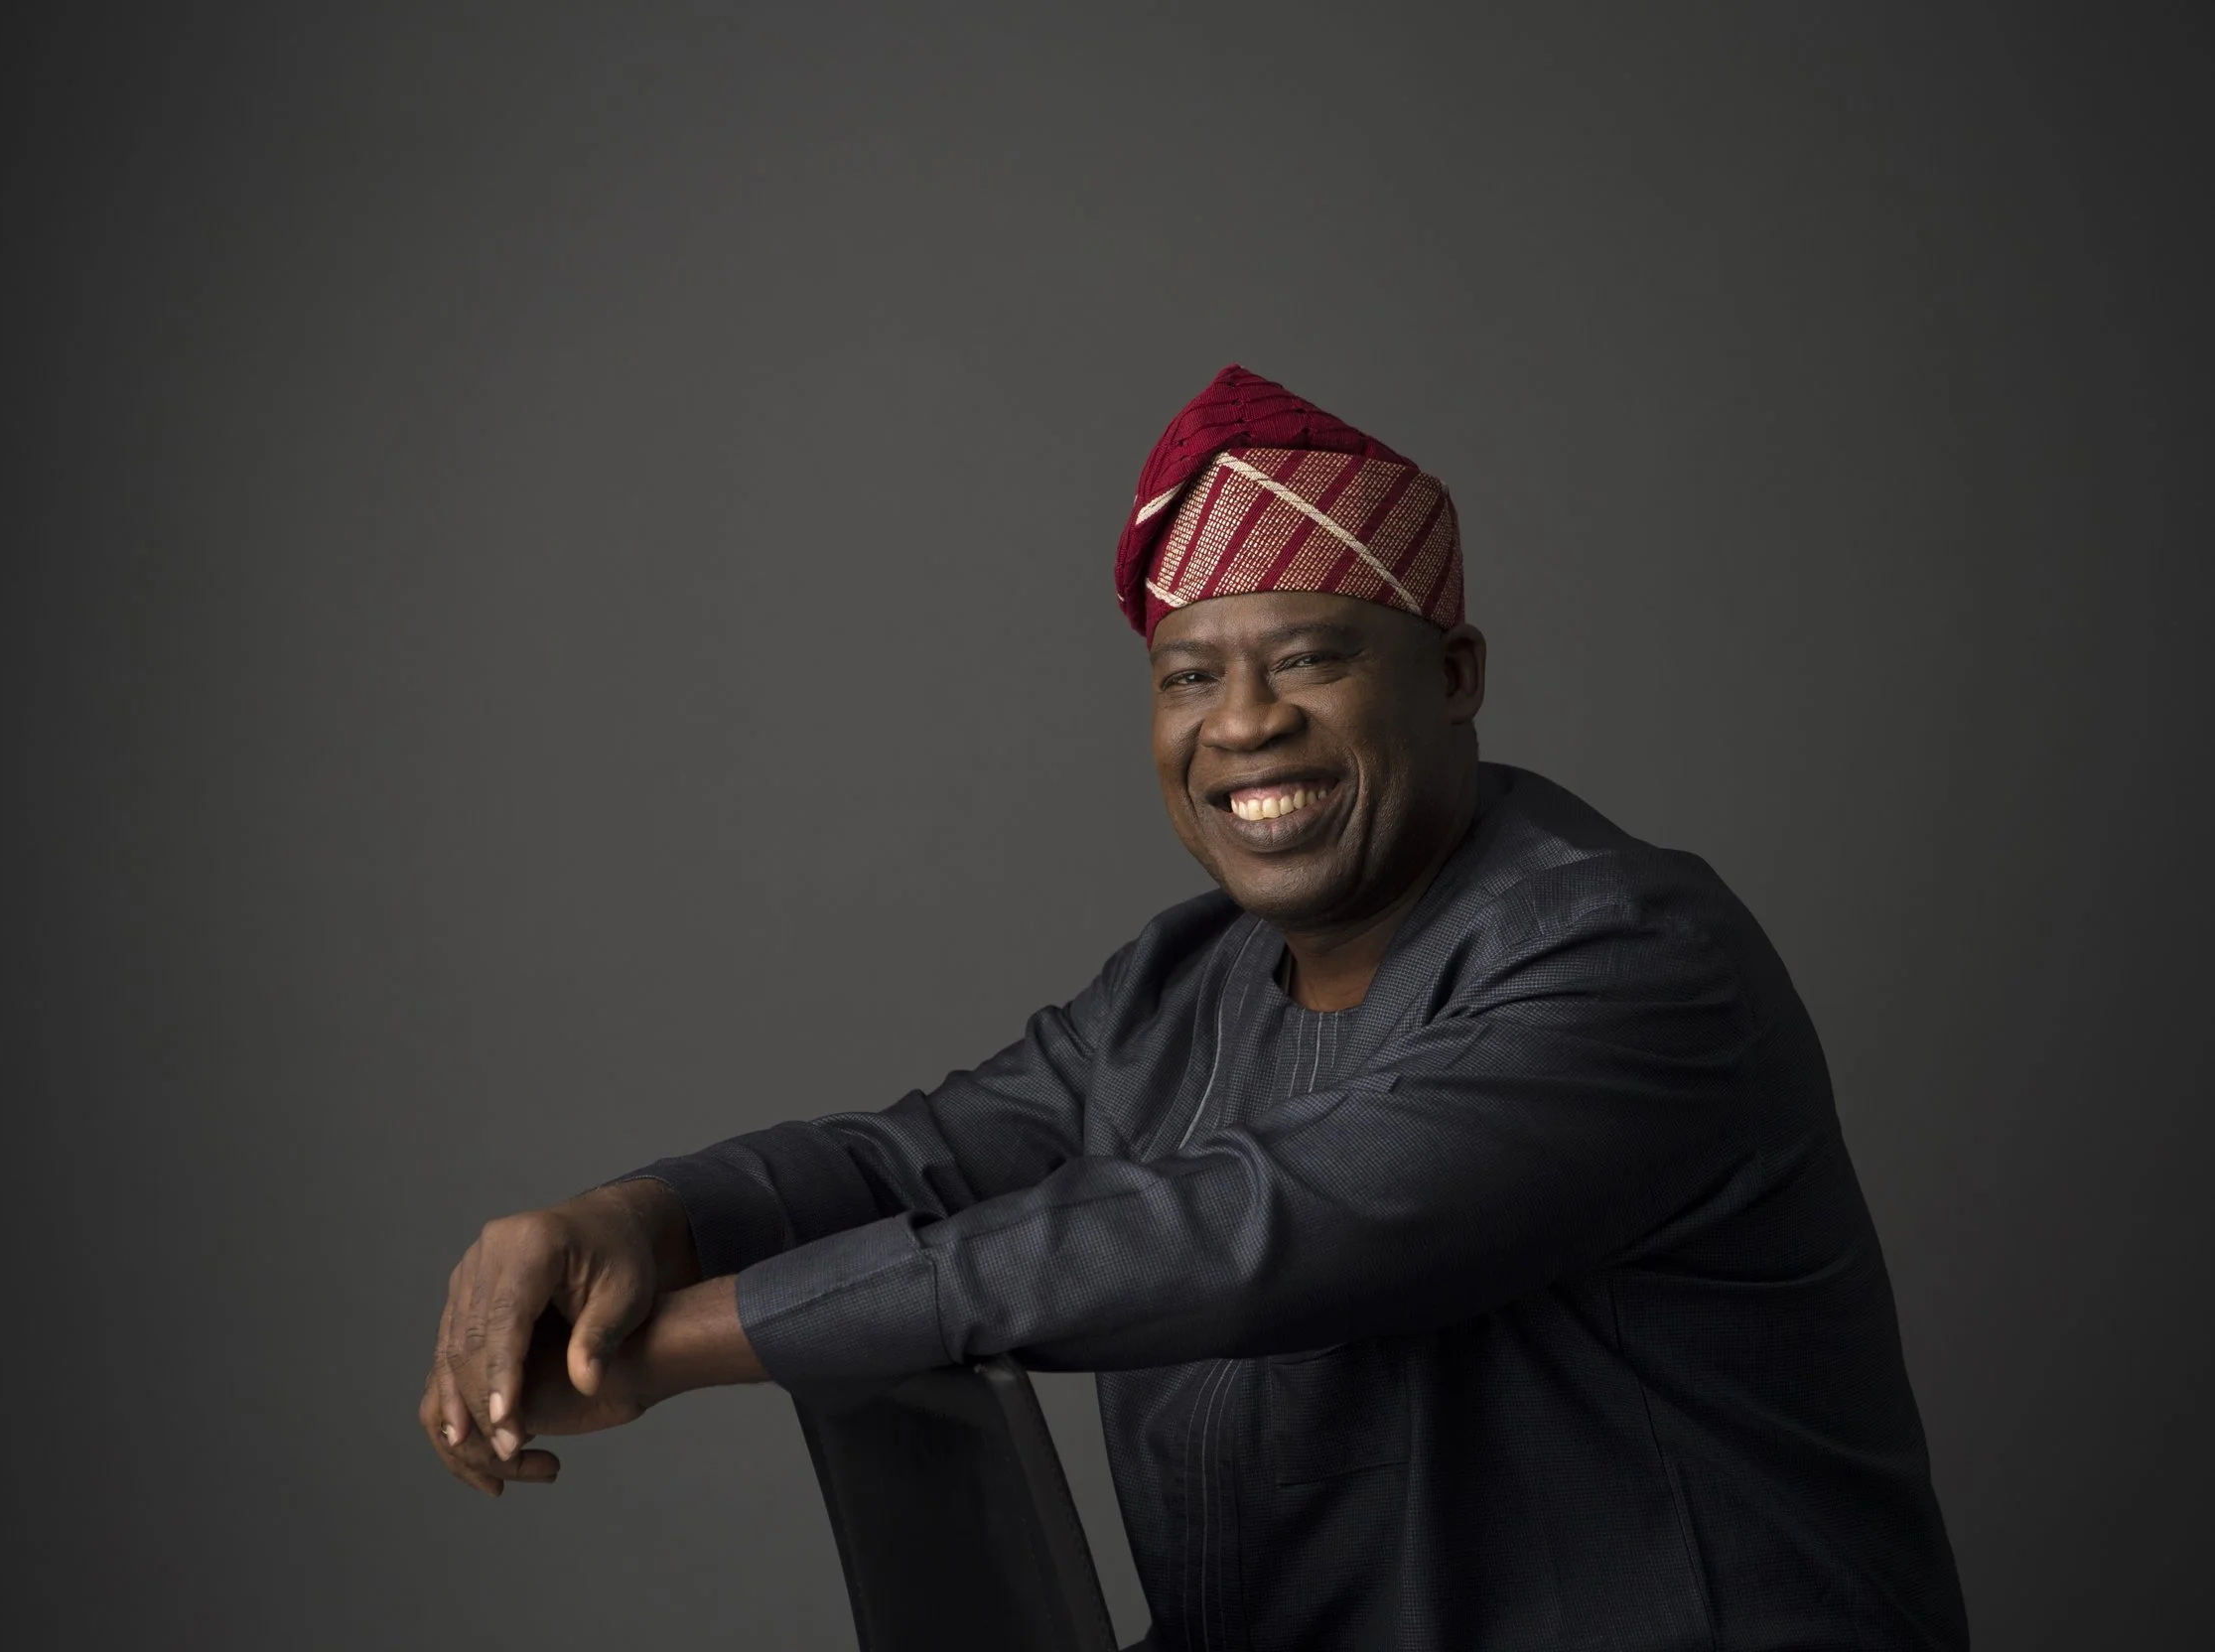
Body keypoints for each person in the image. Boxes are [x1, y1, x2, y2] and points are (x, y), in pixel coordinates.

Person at [419, 365, 1969, 1649]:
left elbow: (1241, 1235)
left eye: (1309, 660)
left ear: (1455, 675)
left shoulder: (1627, 957)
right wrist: (628, 1222)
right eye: (1187, 679)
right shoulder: (1176, 991)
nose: (1243, 726)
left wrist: (673, 1343)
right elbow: (909, 1164)